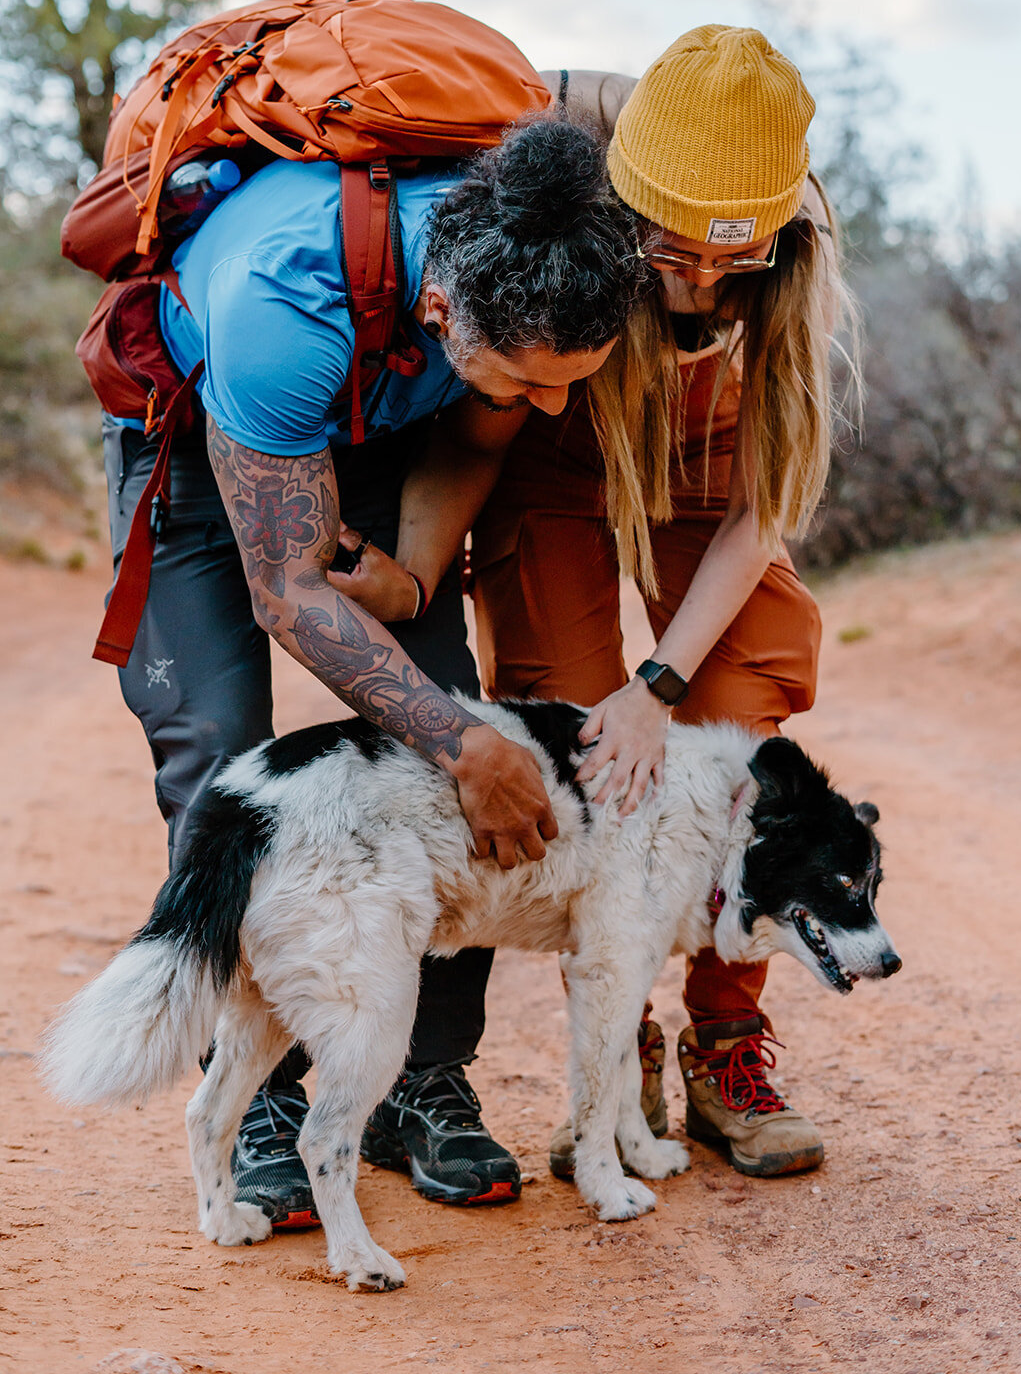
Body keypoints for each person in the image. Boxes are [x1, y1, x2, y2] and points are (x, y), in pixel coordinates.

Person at [101, 116, 644, 1222]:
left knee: (444, 761)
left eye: (568, 385)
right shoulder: (281, 301)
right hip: (218, 447)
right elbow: (285, 589)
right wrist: (463, 745)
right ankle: (252, 1087)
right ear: (444, 311)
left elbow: (479, 435)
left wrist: (414, 579)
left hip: (383, 421)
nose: (551, 406)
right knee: (219, 742)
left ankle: (420, 1076)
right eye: (529, 381)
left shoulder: (509, 298)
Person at [471, 26, 854, 1180]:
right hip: (559, 441)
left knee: (740, 719)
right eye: (668, 253)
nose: (692, 282)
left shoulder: (793, 236)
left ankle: (725, 1038)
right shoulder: (556, 167)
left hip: (707, 461)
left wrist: (661, 685)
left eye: (723, 263)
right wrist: (615, 708)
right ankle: (615, 1043)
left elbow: (761, 511)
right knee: (580, 741)